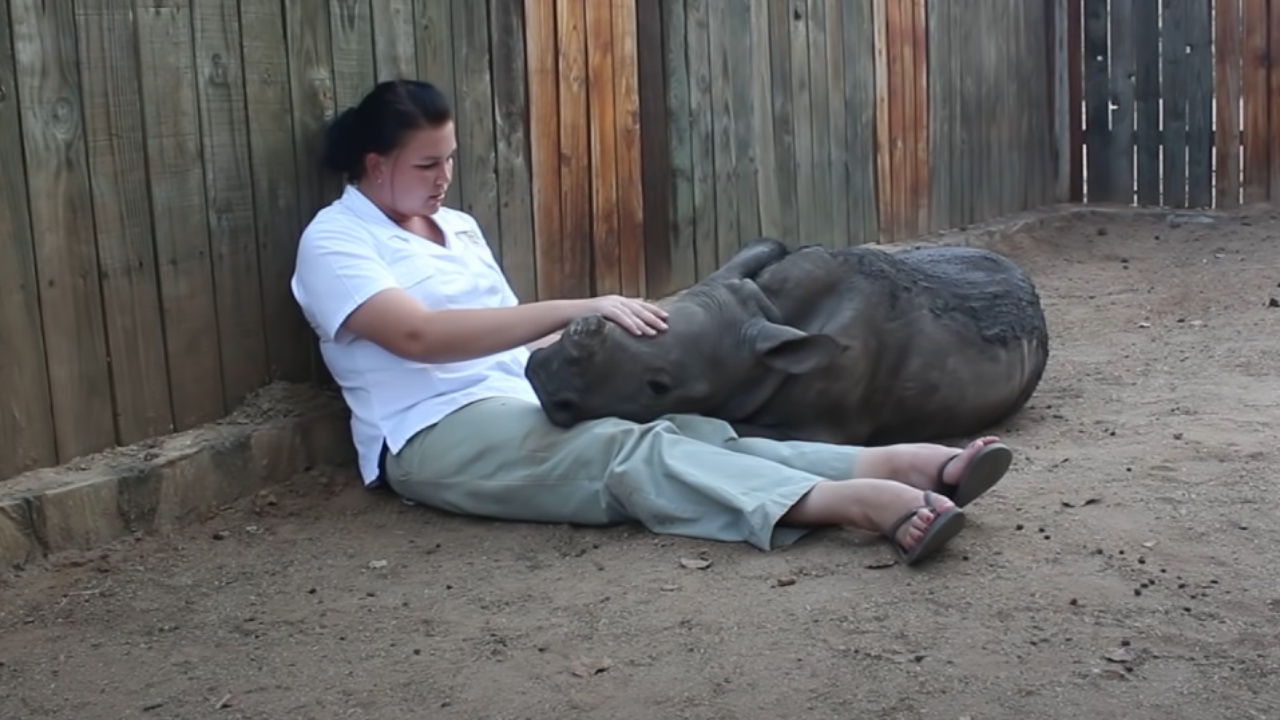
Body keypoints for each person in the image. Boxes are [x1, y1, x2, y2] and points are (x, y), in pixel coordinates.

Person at [290, 79, 1015, 566]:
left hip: (516, 399)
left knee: (681, 431)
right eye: (426, 165)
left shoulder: (457, 226)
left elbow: (512, 333)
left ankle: (885, 462)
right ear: (374, 164)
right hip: (431, 435)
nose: (444, 178)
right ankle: (843, 502)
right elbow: (417, 337)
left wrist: (623, 334)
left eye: (449, 160)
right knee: (623, 456)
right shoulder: (335, 241)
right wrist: (582, 305)